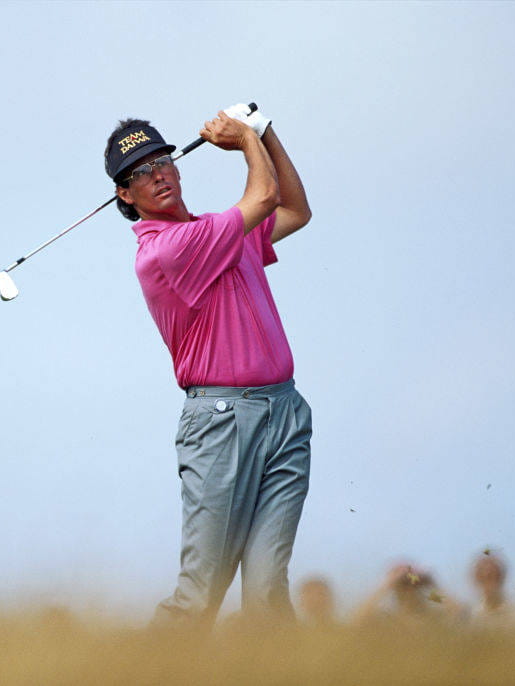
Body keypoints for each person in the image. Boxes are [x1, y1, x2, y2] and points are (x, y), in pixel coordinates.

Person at [103, 104, 312, 629]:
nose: (156, 176)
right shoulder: (167, 249)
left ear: (176, 166)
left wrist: (266, 133)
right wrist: (245, 139)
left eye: (161, 162)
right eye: (138, 175)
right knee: (201, 594)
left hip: (285, 412)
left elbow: (294, 209)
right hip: (221, 424)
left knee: (268, 589)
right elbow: (263, 198)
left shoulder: (219, 230)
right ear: (125, 196)